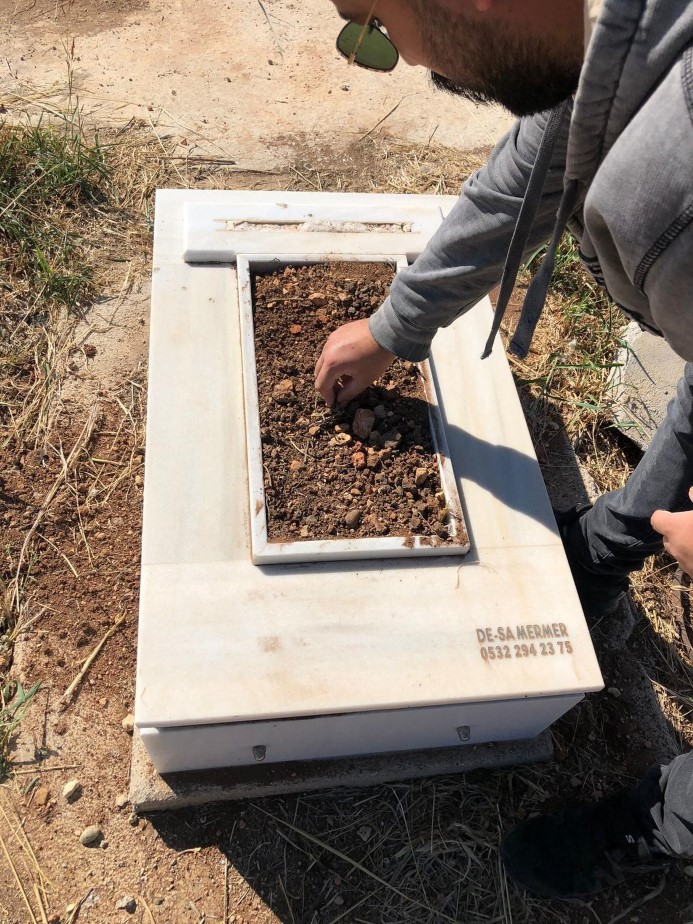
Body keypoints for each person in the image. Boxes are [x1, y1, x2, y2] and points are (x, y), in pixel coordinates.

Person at [315, 0, 693, 897]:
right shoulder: (627, 31)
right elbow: (539, 160)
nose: (392, 57)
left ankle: (669, 818)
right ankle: (601, 550)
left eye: (367, 26)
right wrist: (394, 328)